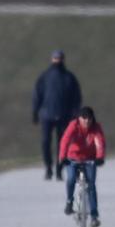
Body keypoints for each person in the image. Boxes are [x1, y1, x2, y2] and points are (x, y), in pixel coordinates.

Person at [31, 50, 82, 180]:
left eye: (59, 58)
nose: (57, 60)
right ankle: (48, 168)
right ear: (52, 59)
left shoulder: (69, 77)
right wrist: (35, 112)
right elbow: (37, 95)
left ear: (63, 59)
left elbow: (76, 97)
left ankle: (59, 169)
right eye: (55, 58)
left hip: (64, 116)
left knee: (63, 144)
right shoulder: (44, 77)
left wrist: (76, 114)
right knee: (45, 142)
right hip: (46, 115)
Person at [58, 106, 106, 227]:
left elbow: (100, 142)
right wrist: (62, 157)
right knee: (71, 179)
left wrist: (100, 157)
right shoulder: (73, 126)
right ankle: (69, 201)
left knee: (91, 185)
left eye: (89, 119)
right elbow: (65, 140)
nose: (86, 121)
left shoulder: (96, 128)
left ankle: (94, 216)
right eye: (84, 118)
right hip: (72, 158)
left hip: (90, 159)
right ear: (79, 118)